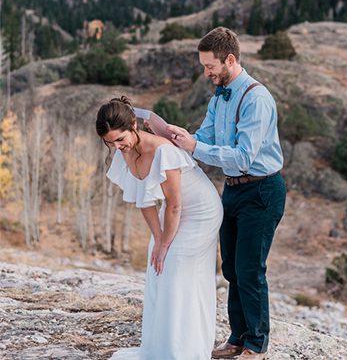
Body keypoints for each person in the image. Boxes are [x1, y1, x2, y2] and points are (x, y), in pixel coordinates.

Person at [164, 27, 285, 360]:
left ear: (230, 59)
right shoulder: (219, 95)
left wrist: (197, 146)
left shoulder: (256, 98)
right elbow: (203, 136)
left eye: (209, 66)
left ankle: (257, 344)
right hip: (231, 190)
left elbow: (243, 156)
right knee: (231, 268)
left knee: (250, 269)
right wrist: (173, 140)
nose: (206, 73)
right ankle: (237, 336)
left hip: (261, 191)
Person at [98, 97, 222, 360]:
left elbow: (176, 205)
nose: (118, 147)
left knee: (174, 265)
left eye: (121, 139)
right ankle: (162, 345)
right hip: (175, 211)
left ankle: (184, 349)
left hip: (201, 211)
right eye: (111, 143)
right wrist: (157, 239)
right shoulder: (127, 153)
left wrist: (166, 244)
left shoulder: (163, 151)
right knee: (157, 265)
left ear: (133, 125)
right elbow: (144, 201)